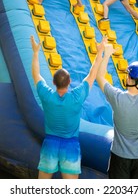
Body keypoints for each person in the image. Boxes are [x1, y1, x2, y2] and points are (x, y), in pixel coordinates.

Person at [31, 35, 107, 179]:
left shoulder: (47, 96)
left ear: (53, 82)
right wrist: (99, 52)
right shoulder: (76, 98)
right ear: (69, 81)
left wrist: (35, 53)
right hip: (70, 146)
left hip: (50, 144)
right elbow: (92, 75)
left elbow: (36, 75)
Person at [96, 43, 138, 179]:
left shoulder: (117, 98)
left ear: (128, 78)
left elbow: (99, 77)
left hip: (119, 157)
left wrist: (107, 53)